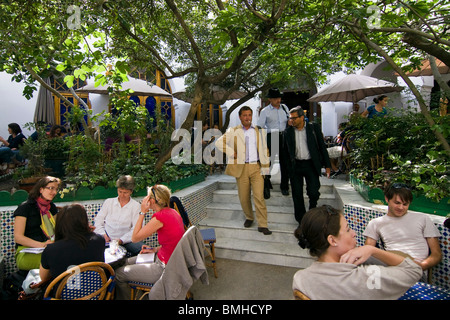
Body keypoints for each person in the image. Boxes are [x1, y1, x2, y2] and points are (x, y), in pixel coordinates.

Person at [292, 205, 423, 300]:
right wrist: (372, 249)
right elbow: (414, 270)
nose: (354, 233)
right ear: (332, 240)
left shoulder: (300, 278)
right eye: (348, 229)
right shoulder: (364, 278)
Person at [114, 184, 185, 300]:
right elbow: (172, 242)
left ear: (151, 200)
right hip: (167, 258)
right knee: (125, 262)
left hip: (164, 267)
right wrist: (154, 249)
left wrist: (142, 212)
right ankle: (138, 292)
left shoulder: (160, 217)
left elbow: (135, 238)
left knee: (118, 274)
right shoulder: (172, 212)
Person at [363, 183, 442, 278]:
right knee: (359, 255)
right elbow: (367, 252)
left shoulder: (423, 219)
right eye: (397, 203)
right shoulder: (376, 223)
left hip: (414, 269)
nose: (401, 208)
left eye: (405, 204)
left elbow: (437, 254)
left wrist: (419, 267)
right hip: (391, 267)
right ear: (387, 199)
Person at [216, 106, 272, 235]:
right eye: (245, 115)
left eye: (249, 115)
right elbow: (219, 143)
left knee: (259, 197)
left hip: (256, 167)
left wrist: (265, 167)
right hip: (241, 168)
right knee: (244, 197)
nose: (247, 117)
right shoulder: (233, 131)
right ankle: (249, 217)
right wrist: (231, 152)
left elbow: (265, 150)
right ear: (240, 117)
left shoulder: (258, 131)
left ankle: (263, 225)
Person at [283, 106, 331, 224]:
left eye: (294, 118)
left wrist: (327, 165)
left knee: (314, 192)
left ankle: (312, 210)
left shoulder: (313, 128)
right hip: (296, 166)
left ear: (302, 117)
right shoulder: (287, 132)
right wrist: (288, 169)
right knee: (297, 194)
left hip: (311, 164)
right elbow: (285, 152)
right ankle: (301, 221)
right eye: (290, 118)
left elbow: (322, 147)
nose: (291, 121)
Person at [39, 204, 105, 283]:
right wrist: (89, 232)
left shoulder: (51, 250)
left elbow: (43, 278)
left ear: (60, 224)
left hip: (61, 294)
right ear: (84, 221)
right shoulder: (99, 241)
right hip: (96, 293)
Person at [13, 176, 61, 270]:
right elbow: (18, 237)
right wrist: (42, 245)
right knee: (56, 259)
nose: (54, 192)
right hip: (26, 252)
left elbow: (57, 230)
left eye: (56, 189)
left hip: (48, 249)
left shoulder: (51, 207)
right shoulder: (25, 208)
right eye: (51, 188)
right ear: (41, 189)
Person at [94, 175, 144, 256]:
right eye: (120, 191)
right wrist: (103, 235)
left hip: (127, 241)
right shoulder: (109, 202)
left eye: (125, 193)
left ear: (131, 192)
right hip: (107, 239)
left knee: (143, 250)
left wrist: (121, 240)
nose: (122, 195)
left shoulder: (135, 206)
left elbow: (136, 228)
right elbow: (98, 221)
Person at [257, 88, 290, 198]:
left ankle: (284, 186)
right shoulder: (265, 111)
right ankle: (266, 184)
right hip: (272, 136)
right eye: (275, 98)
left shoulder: (285, 108)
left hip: (284, 136)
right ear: (270, 99)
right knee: (268, 163)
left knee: (285, 163)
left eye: (279, 98)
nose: (278, 100)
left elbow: (289, 121)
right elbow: (260, 127)